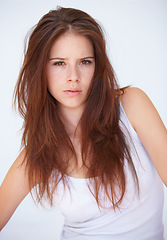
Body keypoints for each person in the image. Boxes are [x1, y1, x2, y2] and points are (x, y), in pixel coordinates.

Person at [0, 6, 166, 240]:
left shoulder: (131, 106)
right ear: (40, 69)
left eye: (85, 62)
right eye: (59, 63)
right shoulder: (40, 151)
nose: (73, 76)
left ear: (97, 65)